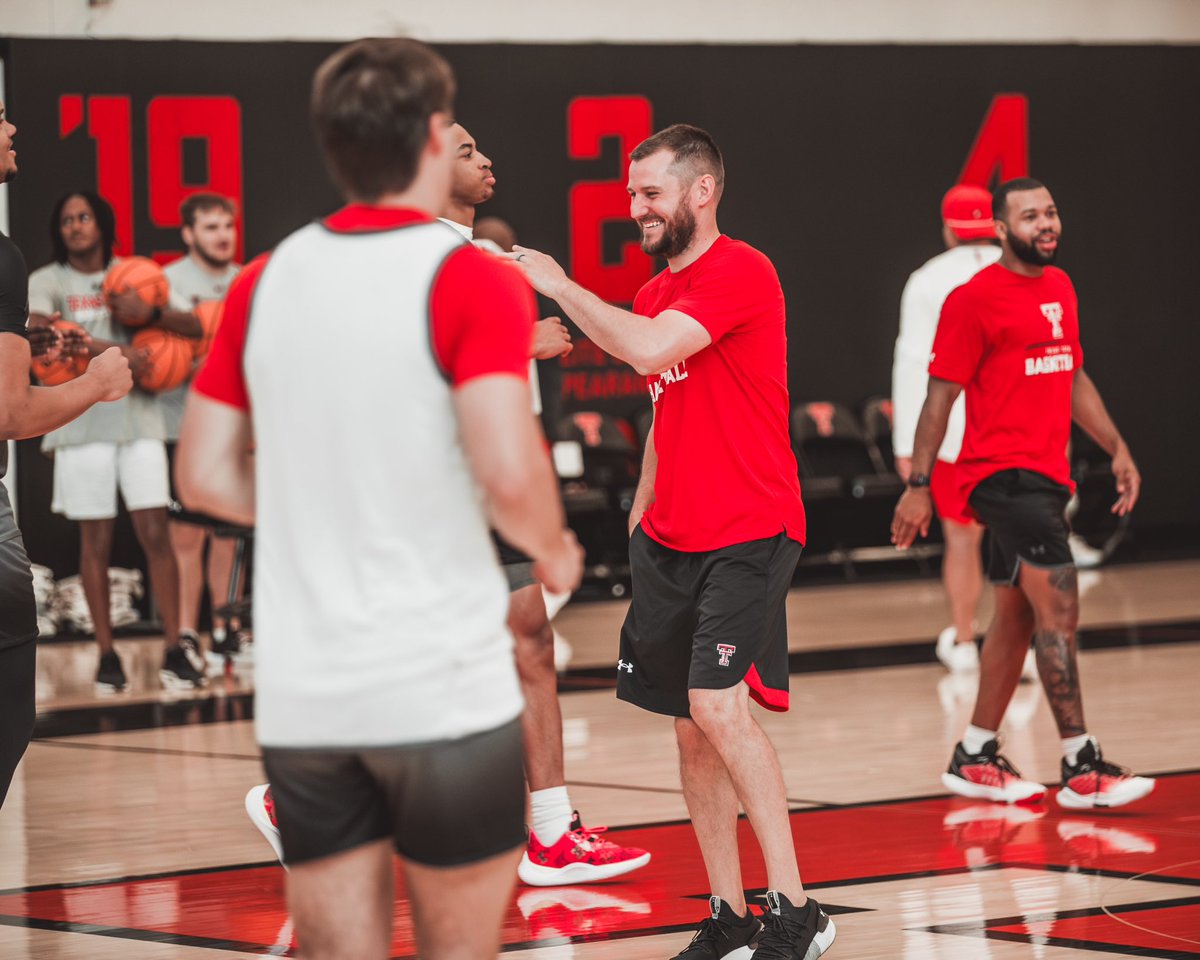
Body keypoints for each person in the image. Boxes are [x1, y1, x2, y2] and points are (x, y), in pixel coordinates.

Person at [176, 38, 583, 960]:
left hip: (311, 686)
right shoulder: (470, 274)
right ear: (434, 140)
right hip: (436, 682)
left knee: (337, 944)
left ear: (334, 144)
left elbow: (200, 475)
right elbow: (508, 474)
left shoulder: (264, 278)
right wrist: (552, 546)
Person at [242, 123, 648, 886]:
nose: (487, 158)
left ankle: (552, 833)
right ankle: (299, 803)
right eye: (465, 150)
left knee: (525, 642)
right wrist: (518, 342)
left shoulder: (483, 255)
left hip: (481, 476)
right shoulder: (410, 254)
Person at [512, 124, 836, 960]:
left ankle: (797, 911)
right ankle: (727, 913)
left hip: (751, 528)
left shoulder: (743, 271)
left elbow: (650, 350)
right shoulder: (655, 295)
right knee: (689, 727)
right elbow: (665, 401)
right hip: (672, 537)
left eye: (650, 193)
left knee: (718, 707)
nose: (636, 209)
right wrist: (643, 509)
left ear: (702, 191)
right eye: (631, 194)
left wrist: (556, 282)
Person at [891, 177, 1155, 810]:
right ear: (1001, 229)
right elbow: (939, 397)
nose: (1047, 223)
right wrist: (920, 484)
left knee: (1015, 616)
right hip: (1002, 479)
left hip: (1044, 475)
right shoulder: (972, 299)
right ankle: (1080, 764)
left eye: (1052, 211)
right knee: (1060, 610)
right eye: (1031, 215)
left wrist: (1116, 446)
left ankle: (976, 754)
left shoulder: (1059, 287)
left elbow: (1071, 372)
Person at [0, 99, 133, 807]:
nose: (12, 127)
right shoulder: (5, 255)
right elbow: (9, 414)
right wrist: (94, 383)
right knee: (9, 713)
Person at [27, 191, 206, 692]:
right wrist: (109, 348)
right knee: (95, 543)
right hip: (81, 425)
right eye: (66, 220)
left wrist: (147, 311)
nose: (75, 227)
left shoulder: (138, 272)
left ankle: (175, 648)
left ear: (102, 223)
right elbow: (40, 336)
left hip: (138, 420)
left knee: (157, 534)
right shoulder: (48, 281)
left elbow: (191, 326)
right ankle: (107, 655)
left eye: (83, 217)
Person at [892, 185, 1000, 674]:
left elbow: (915, 364)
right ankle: (1019, 644)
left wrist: (906, 448)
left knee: (962, 540)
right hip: (1015, 429)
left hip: (954, 434)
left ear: (948, 227)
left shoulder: (928, 279)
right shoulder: (1021, 271)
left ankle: (964, 640)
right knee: (1023, 540)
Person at [161, 193, 248, 666]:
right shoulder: (167, 283)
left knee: (229, 534)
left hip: (235, 429)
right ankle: (189, 633)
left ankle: (225, 627)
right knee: (187, 539)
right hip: (183, 423)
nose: (222, 235)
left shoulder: (244, 281)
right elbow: (153, 359)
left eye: (227, 227)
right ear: (189, 234)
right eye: (210, 227)